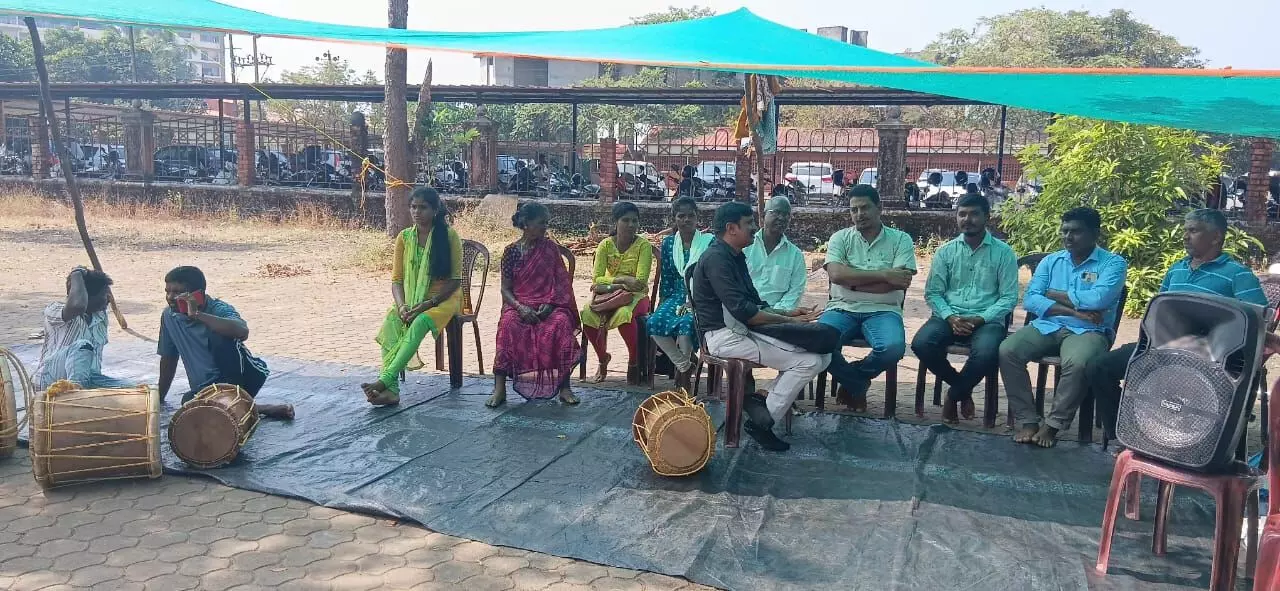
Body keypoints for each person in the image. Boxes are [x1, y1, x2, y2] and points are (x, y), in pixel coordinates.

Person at [1088, 208, 1267, 442]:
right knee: (1099, 368)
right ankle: (1126, 436)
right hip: (1163, 348)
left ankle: (1191, 443)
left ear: (1216, 237)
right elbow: (1158, 311)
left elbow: (1259, 319)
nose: (1185, 236)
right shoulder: (1177, 269)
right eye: (1185, 230)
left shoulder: (1238, 274)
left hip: (1210, 358)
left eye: (1193, 231)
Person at [691, 202, 828, 451]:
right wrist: (790, 321)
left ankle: (762, 398)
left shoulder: (734, 255)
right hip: (724, 336)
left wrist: (787, 312)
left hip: (742, 330)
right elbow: (745, 312)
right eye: (749, 223)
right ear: (732, 228)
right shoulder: (716, 259)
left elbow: (754, 302)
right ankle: (763, 421)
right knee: (810, 361)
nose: (755, 228)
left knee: (823, 354)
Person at [998, 207, 1127, 448]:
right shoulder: (1051, 261)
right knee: (1008, 350)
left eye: (1076, 231)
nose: (1068, 236)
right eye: (1065, 231)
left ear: (1095, 233)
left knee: (1078, 363)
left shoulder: (1113, 263)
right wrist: (1074, 310)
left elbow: (1098, 299)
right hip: (1049, 324)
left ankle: (1053, 424)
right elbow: (1031, 300)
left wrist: (1052, 294)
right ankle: (1028, 420)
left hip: (1089, 331)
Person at [910, 194, 1019, 423]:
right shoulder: (946, 251)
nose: (967, 219)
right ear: (956, 217)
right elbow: (933, 293)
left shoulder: (1003, 253)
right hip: (949, 316)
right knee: (921, 344)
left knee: (987, 353)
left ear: (987, 217)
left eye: (974, 214)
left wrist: (980, 318)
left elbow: (1009, 298)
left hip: (987, 320)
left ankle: (953, 396)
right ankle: (963, 389)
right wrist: (950, 317)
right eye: (962, 214)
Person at [363, 187, 463, 406]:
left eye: (423, 207)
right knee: (391, 321)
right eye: (413, 207)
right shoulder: (405, 237)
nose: (417, 212)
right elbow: (397, 280)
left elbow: (455, 280)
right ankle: (392, 392)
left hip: (443, 300)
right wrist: (401, 306)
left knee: (420, 321)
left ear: (435, 210)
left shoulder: (449, 236)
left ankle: (385, 380)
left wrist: (428, 304)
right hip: (411, 300)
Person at [819, 184, 916, 412]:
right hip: (841, 308)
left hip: (884, 310)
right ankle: (857, 384)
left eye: (865, 208)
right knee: (817, 342)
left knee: (893, 348)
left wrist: (851, 282)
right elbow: (836, 275)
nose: (859, 214)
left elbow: (899, 281)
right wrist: (884, 275)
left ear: (879, 208)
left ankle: (853, 378)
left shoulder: (901, 240)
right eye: (854, 209)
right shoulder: (840, 238)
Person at [157, 266, 292, 419]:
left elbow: (242, 331)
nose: (170, 297)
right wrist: (159, 397)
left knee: (220, 335)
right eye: (167, 291)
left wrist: (198, 315)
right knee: (188, 402)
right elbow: (169, 357)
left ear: (197, 295)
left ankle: (240, 401)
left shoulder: (218, 309)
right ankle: (255, 408)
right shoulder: (169, 316)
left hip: (242, 378)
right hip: (208, 388)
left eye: (177, 292)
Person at [487, 203, 582, 407]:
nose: (545, 228)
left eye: (546, 223)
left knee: (561, 323)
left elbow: (561, 283)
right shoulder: (511, 252)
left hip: (549, 304)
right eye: (541, 223)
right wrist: (520, 307)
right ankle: (499, 388)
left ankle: (565, 388)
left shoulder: (550, 249)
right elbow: (505, 289)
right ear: (526, 224)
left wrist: (550, 305)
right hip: (519, 304)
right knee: (508, 324)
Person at [581, 201, 654, 383]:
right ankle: (602, 358)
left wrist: (614, 283)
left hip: (638, 297)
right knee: (587, 313)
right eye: (625, 220)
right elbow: (597, 279)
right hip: (610, 294)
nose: (631, 225)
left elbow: (640, 282)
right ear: (616, 222)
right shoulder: (605, 245)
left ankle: (633, 362)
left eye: (634, 221)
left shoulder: (643, 246)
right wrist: (622, 281)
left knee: (624, 314)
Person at [647, 197, 712, 388]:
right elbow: (667, 276)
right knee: (654, 322)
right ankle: (684, 365)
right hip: (675, 294)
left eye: (691, 215)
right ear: (674, 219)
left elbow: (712, 276)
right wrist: (663, 302)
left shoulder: (709, 242)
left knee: (686, 323)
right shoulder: (669, 243)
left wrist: (694, 301)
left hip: (700, 296)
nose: (686, 220)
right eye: (681, 216)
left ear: (697, 217)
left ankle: (683, 380)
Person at [35, 267, 128, 389]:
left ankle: (81, 389)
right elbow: (78, 306)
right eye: (103, 295)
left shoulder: (100, 317)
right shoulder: (54, 309)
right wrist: (77, 273)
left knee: (136, 389)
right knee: (83, 345)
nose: (109, 299)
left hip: (88, 378)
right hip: (51, 379)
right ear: (86, 296)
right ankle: (76, 393)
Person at [744, 196, 808, 315]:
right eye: (776, 212)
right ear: (763, 216)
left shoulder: (795, 255)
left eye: (786, 215)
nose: (782, 218)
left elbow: (795, 291)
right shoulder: (745, 246)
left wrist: (775, 313)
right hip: (744, 311)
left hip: (778, 316)